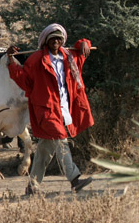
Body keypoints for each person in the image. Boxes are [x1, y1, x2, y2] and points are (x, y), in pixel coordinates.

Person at [6, 23, 94, 195]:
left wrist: (85, 42)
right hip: (45, 110)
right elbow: (24, 80)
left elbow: (83, 49)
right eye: (52, 38)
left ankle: (33, 185)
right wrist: (10, 60)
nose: (55, 41)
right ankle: (75, 179)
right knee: (61, 139)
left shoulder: (69, 57)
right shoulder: (36, 59)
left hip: (63, 109)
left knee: (45, 149)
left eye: (58, 38)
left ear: (62, 41)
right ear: (46, 41)